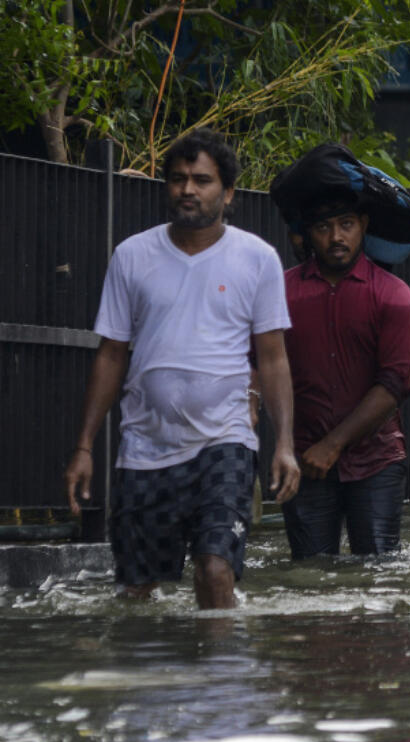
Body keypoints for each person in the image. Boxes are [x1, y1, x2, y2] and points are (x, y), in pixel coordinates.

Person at [63, 128, 299, 609]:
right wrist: (85, 446)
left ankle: (222, 680)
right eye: (177, 179)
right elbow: (111, 355)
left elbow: (272, 358)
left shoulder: (257, 259)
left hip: (225, 442)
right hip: (145, 449)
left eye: (202, 180)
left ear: (228, 192)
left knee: (215, 570)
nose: (187, 189)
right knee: (135, 594)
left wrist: (286, 445)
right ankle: (158, 680)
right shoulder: (132, 256)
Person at [277, 195, 410, 559]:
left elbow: (393, 385)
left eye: (346, 225)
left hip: (376, 460)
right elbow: (257, 365)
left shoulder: (392, 295)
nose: (336, 237)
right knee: (308, 580)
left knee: (377, 577)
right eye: (323, 227)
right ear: (307, 233)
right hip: (305, 460)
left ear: (364, 226)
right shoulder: (280, 293)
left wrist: (333, 444)